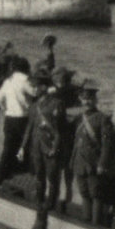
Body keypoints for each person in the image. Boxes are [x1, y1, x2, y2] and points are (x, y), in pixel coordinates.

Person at [19, 70, 67, 210]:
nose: (33, 89)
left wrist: (55, 148)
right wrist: (23, 146)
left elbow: (60, 130)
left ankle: (50, 204)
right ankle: (38, 201)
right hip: (36, 146)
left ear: (44, 87)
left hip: (50, 146)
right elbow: (30, 127)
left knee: (52, 177)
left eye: (36, 86)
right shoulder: (34, 106)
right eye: (33, 86)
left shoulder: (56, 104)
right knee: (39, 175)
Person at [70, 79, 113, 225]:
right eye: (84, 99)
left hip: (93, 163)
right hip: (79, 162)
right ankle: (85, 221)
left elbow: (107, 144)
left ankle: (95, 224)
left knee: (96, 194)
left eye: (90, 99)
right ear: (81, 100)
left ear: (95, 100)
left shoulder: (102, 119)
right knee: (84, 193)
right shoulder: (78, 118)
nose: (87, 102)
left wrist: (102, 163)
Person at [0, 57, 33, 182]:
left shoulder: (8, 81)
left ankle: (0, 176)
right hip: (23, 118)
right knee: (24, 148)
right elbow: (35, 92)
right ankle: (20, 175)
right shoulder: (25, 81)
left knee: (7, 148)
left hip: (9, 118)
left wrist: (5, 108)